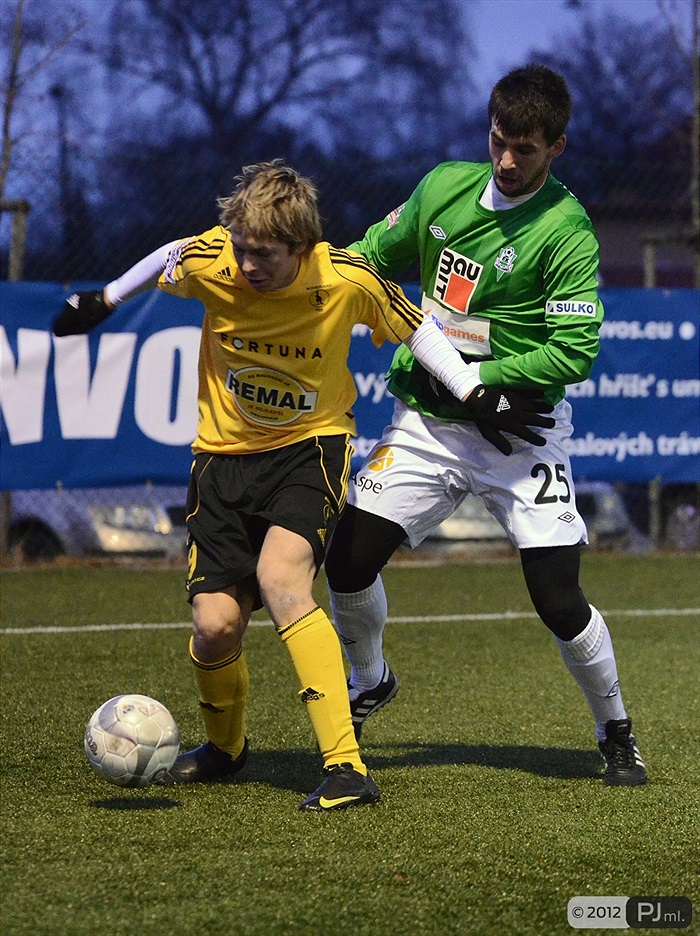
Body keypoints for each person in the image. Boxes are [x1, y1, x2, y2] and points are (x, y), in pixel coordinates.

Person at [53, 160, 553, 811]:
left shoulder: (346, 278)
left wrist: (472, 388)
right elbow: (173, 252)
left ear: (301, 247)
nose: (246, 263)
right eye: (240, 248)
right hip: (220, 462)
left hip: (307, 454)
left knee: (283, 580)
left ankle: (347, 768)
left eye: (262, 253)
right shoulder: (216, 260)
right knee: (216, 628)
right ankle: (225, 752)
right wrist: (105, 298)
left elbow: (417, 325)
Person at [324, 65, 647, 787]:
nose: (507, 160)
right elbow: (370, 260)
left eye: (525, 149)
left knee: (558, 598)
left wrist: (487, 386)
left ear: (556, 147)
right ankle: (370, 677)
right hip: (431, 423)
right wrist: (316, 282)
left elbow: (574, 351)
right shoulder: (442, 188)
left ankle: (615, 729)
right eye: (499, 141)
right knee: (345, 561)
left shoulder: (567, 232)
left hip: (520, 434)